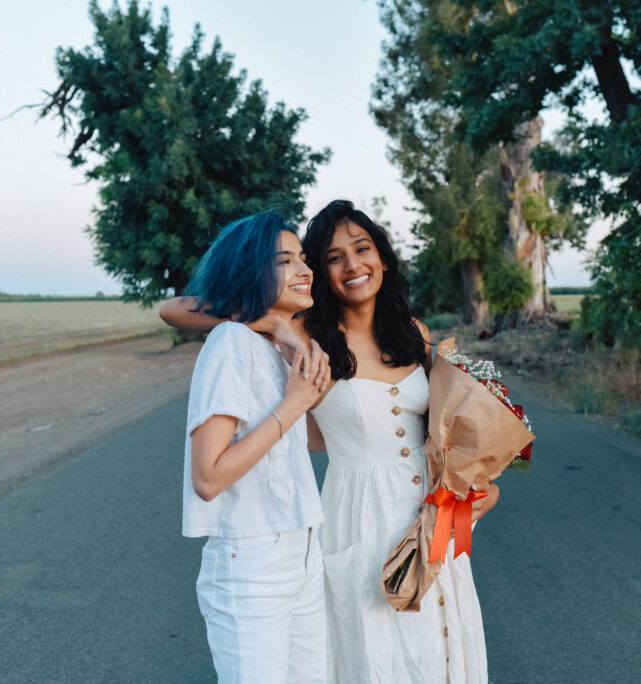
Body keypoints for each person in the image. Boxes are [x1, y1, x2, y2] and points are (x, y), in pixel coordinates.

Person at [164, 200, 495, 683]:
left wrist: (479, 483)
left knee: (437, 646)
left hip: (430, 513)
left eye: (362, 249)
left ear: (382, 257)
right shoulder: (305, 332)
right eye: (334, 257)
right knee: (375, 651)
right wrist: (275, 322)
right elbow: (173, 309)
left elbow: (442, 433)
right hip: (358, 515)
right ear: (321, 272)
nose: (353, 265)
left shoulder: (414, 333)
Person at [181, 210, 332, 683]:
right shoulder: (229, 343)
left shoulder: (271, 348)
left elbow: (314, 441)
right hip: (251, 563)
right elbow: (208, 477)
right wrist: (294, 403)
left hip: (303, 547)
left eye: (303, 258)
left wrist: (299, 366)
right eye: (285, 260)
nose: (305, 270)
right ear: (249, 271)